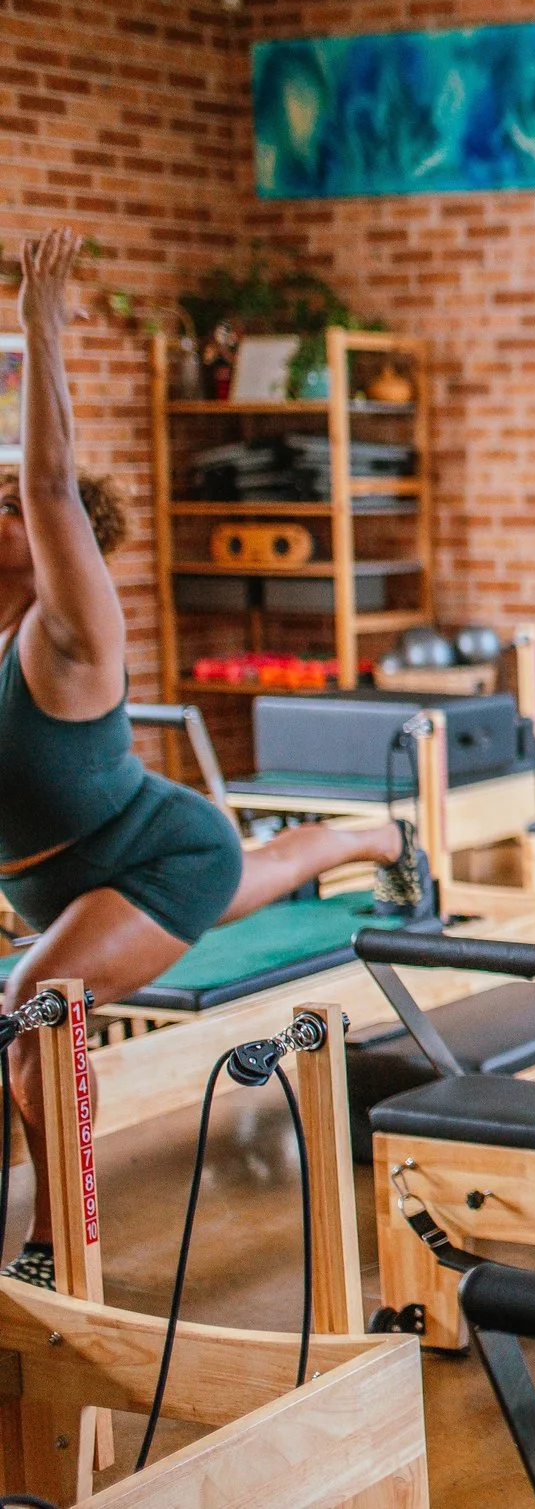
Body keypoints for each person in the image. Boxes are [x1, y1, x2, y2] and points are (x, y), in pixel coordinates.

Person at [0, 228, 429, 1288]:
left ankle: (60, 1246)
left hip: (152, 859)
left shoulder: (69, 632)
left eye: (11, 507)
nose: (4, 507)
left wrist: (40, 335)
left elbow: (53, 488)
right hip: (82, 868)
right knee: (264, 869)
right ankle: (386, 834)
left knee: (33, 1018)